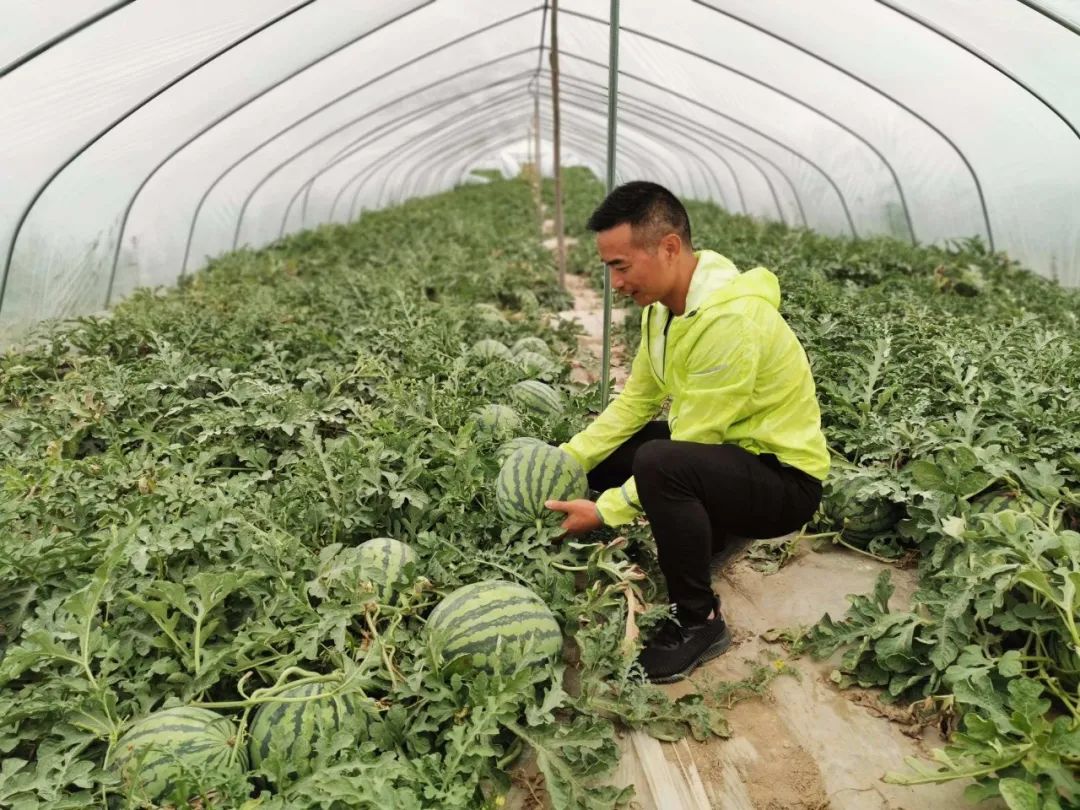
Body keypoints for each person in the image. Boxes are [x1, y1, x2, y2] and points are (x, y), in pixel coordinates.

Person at [545, 181, 829, 684]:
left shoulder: (730, 321)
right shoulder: (663, 311)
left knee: (661, 462)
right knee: (621, 453)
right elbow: (636, 399)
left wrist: (604, 510)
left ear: (669, 248)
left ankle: (699, 622)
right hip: (732, 460)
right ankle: (713, 531)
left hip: (784, 482)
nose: (615, 283)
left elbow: (693, 443)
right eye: (608, 267)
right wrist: (569, 459)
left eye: (620, 266)